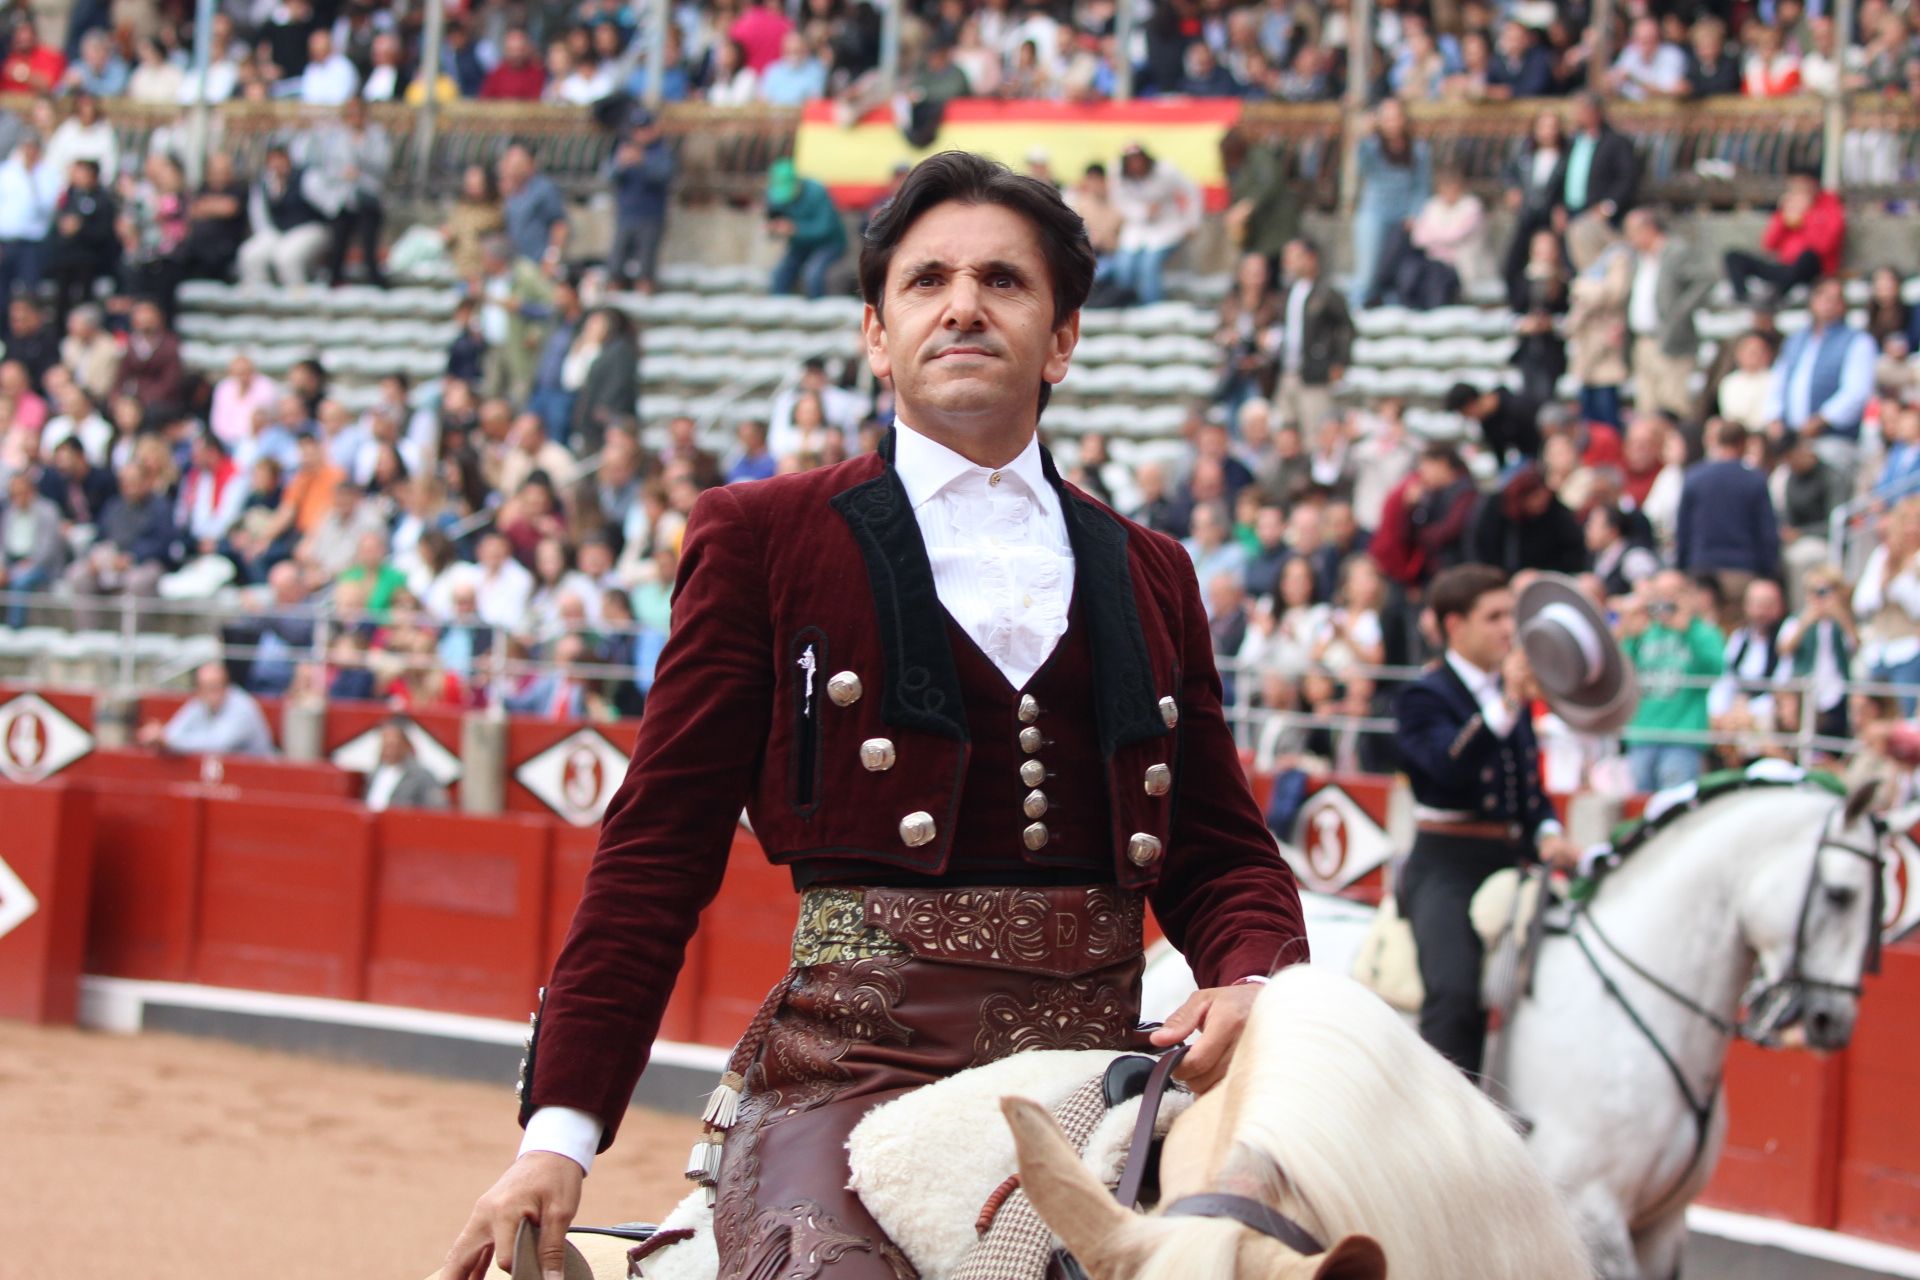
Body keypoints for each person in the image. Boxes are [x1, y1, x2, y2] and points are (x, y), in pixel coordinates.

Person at [440, 151, 1308, 1280]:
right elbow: (658, 847)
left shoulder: (1151, 569)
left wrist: (1252, 972)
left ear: (1061, 338)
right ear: (875, 332)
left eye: (1004, 280)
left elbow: (1218, 848)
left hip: (1105, 1077)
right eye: (926, 279)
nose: (962, 303)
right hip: (855, 1076)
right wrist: (558, 1132)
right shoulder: (764, 538)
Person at [1394, 564, 1576, 1077]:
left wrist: (1548, 832)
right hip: (1446, 866)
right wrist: (1508, 704)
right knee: (1453, 993)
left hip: (1512, 860)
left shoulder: (1506, 697)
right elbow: (1445, 772)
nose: (1507, 629)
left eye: (1510, 616)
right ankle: (1445, 1123)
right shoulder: (1424, 695)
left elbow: (1527, 790)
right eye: (1493, 617)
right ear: (1455, 626)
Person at [1759, 275, 1877, 482]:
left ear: (1843, 305)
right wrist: (1775, 417)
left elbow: (1857, 391)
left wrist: (1822, 419)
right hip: (1792, 441)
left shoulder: (1857, 341)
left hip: (1833, 440)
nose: (1827, 304)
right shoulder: (1795, 340)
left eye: (1834, 299)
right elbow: (1778, 383)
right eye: (1822, 296)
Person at [1617, 569, 1723, 791]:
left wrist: (1687, 631)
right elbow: (1620, 674)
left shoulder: (1703, 632)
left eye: (1674, 593)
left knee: (1674, 812)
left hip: (1682, 738)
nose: (1666, 600)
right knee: (1641, 809)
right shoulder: (1643, 631)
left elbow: (1714, 670)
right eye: (1659, 593)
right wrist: (1628, 632)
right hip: (1641, 736)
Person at [1675, 419, 1781, 615]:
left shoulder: (1694, 477)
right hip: (1741, 571)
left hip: (1701, 568)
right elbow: (1766, 531)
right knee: (1736, 632)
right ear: (1742, 443)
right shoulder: (1755, 479)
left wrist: (1683, 567)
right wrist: (1768, 572)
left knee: (1706, 632)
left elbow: (1683, 530)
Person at [1623, 208, 1715, 421]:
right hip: (1643, 340)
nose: (1629, 238)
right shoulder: (1639, 258)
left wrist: (1679, 312)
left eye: (1632, 231)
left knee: (1674, 406)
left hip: (1672, 340)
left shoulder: (1676, 251)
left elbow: (1706, 278)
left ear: (1648, 229)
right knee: (1646, 407)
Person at [1349, 99, 1431, 307]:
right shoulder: (1373, 147)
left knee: (1396, 271)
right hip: (1374, 213)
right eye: (1386, 119)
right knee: (1367, 272)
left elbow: (1422, 186)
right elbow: (1363, 165)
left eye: (1396, 118)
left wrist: (1414, 213)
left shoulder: (1418, 149)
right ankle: (1355, 310)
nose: (1392, 123)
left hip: (1403, 217)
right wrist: (1363, 136)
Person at [1725, 171, 1846, 306]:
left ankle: (1775, 295)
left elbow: (1824, 246)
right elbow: (1769, 244)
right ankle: (1743, 297)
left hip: (1811, 269)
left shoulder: (1829, 206)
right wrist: (1784, 218)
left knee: (1808, 257)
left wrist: (1805, 217)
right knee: (1733, 256)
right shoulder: (1789, 207)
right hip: (1785, 267)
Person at [1272, 237, 1352, 435]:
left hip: (1314, 374)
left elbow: (1345, 328)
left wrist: (1339, 362)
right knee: (1284, 429)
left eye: (1295, 257)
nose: (1288, 263)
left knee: (1314, 431)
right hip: (1287, 371)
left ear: (1311, 258)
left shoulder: (1326, 293)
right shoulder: (1287, 293)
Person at [310, 96, 391, 288]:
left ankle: (374, 279)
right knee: (339, 240)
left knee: (369, 240)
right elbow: (326, 166)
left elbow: (384, 165)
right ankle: (335, 277)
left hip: (368, 195)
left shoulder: (377, 136)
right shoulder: (335, 138)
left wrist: (360, 164)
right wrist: (342, 173)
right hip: (343, 196)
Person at [1109, 142, 1200, 307]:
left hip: (1166, 226)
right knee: (1124, 266)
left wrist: (1191, 222)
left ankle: (1152, 308)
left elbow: (1192, 191)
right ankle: (1125, 303)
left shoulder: (1166, 172)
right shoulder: (1118, 174)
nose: (1136, 165)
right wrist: (1142, 212)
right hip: (1137, 228)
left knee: (1149, 265)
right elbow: (1120, 202)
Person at [136, 662, 275, 757]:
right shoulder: (199, 703)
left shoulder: (243, 707)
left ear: (226, 686)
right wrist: (162, 736)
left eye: (216, 686)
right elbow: (175, 730)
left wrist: (168, 740)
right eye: (205, 688)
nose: (211, 693)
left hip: (257, 780)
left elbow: (218, 744)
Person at [238, 145, 329, 287]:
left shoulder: (307, 178)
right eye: (272, 160)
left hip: (310, 227)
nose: (277, 164)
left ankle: (297, 296)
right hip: (279, 231)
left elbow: (327, 206)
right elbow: (259, 216)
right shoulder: (264, 183)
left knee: (286, 256)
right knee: (250, 255)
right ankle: (261, 297)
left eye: (280, 159)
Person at [607, 111, 675, 292]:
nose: (639, 134)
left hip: (650, 217)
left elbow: (664, 175)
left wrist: (642, 161)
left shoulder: (661, 152)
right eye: (636, 130)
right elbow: (607, 176)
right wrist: (620, 164)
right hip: (626, 216)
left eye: (643, 129)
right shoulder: (624, 149)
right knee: (616, 265)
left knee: (645, 268)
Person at [765, 158, 846, 299]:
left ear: (797, 183)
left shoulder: (817, 192)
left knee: (813, 274)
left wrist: (795, 229)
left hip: (827, 245)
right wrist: (773, 229)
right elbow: (774, 218)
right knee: (779, 275)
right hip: (799, 246)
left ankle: (817, 312)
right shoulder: (774, 195)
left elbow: (825, 228)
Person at [0, 470, 65, 627]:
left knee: (21, 580)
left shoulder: (48, 510)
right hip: (12, 561)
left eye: (21, 492)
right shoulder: (9, 512)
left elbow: (48, 548)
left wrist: (29, 564)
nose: (17, 497)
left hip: (41, 566)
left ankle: (15, 628)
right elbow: (3, 544)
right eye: (13, 493)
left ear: (31, 490)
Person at [364, 719, 450, 811]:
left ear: (405, 746)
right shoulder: (374, 773)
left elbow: (438, 808)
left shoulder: (421, 776)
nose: (389, 751)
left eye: (393, 745)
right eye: (386, 745)